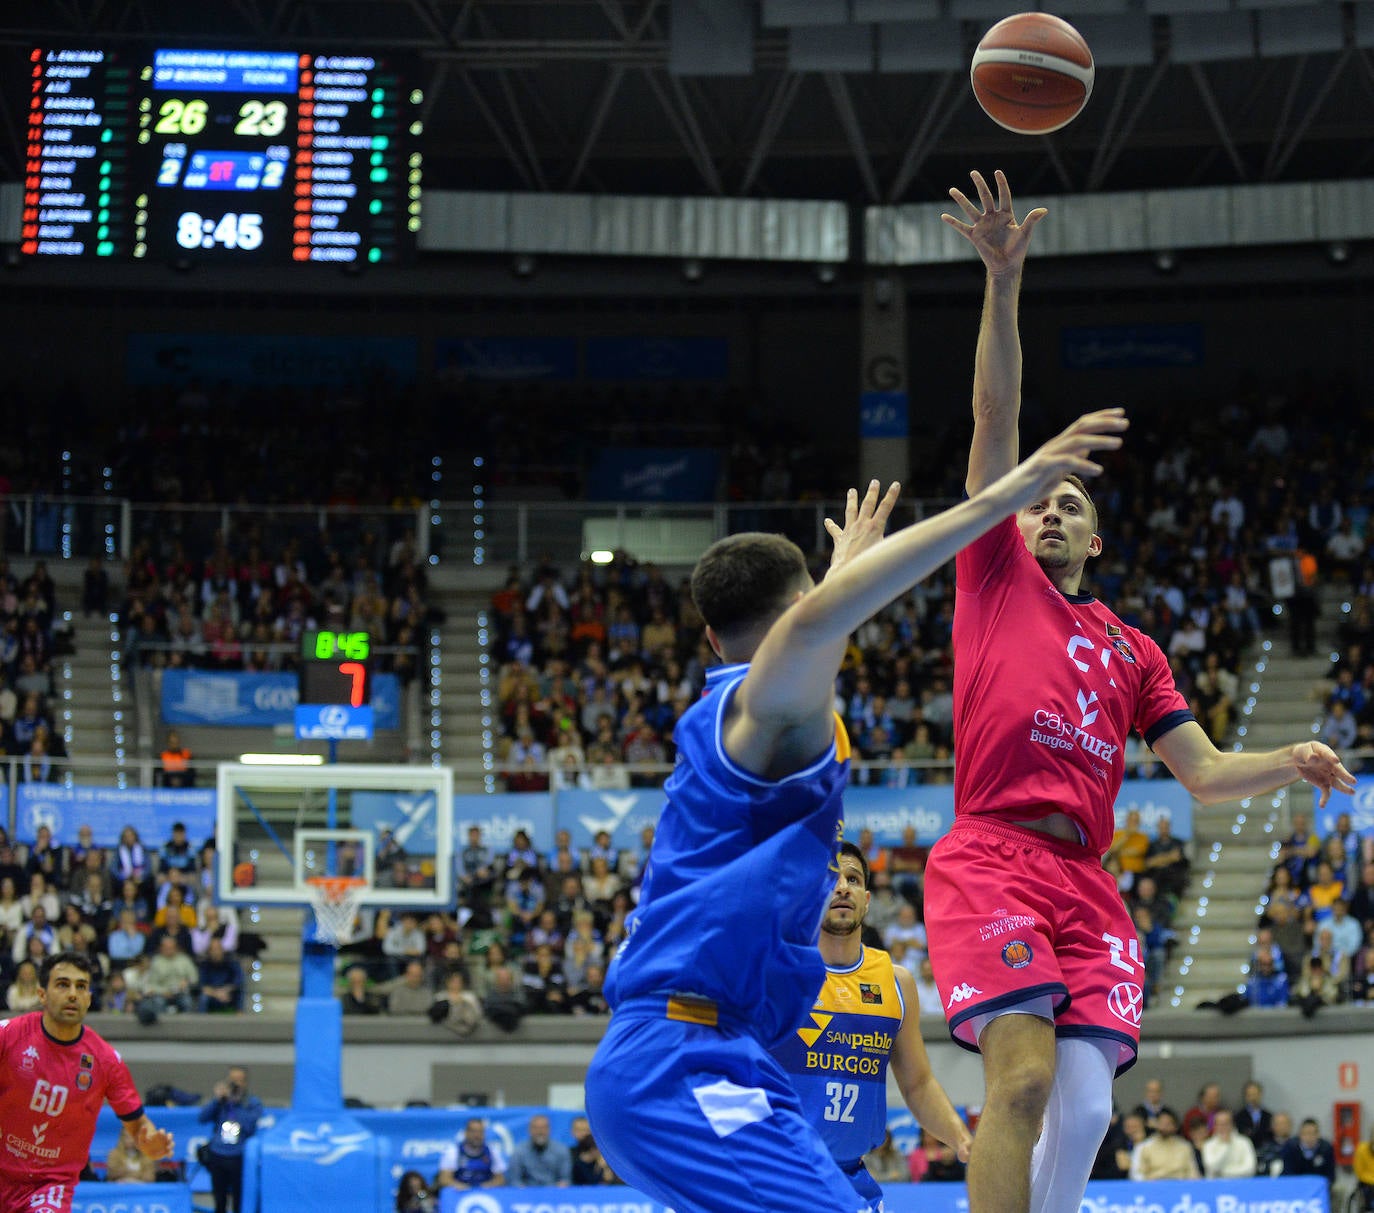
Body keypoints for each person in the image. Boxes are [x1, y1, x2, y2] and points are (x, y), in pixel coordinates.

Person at [925, 168, 1355, 1213]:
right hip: (994, 852)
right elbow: (995, 411)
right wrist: (1002, 284)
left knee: (1085, 1109)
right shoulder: (991, 572)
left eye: (1072, 506)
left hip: (1088, 878)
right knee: (1020, 1081)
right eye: (1041, 503)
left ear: (1099, 536)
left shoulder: (1134, 647)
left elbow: (1200, 772)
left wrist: (1288, 760)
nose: (1053, 513)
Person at [584, 407, 1129, 1213]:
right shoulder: (762, 713)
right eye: (816, 604)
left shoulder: (748, 715)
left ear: (707, 637)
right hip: (679, 1055)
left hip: (727, 1053)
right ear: (804, 605)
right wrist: (1001, 498)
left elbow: (808, 628)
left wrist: (834, 575)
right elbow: (809, 630)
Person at [771, 842, 970, 1210]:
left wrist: (962, 1139)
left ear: (866, 899)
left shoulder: (897, 982)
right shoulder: (779, 974)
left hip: (853, 1181)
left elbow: (918, 1084)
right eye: (830, 879)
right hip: (781, 1178)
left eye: (852, 878)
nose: (842, 887)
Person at [0, 952, 174, 1211]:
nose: (73, 994)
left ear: (89, 998)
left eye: (81, 986)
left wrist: (148, 1142)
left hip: (49, 1185)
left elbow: (136, 1124)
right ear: (42, 994)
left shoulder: (105, 1060)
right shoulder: (9, 1035)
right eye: (62, 984)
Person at [198, 1065, 264, 1213]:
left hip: (239, 1157)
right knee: (219, 1200)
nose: (235, 1084)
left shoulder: (251, 1103)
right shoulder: (221, 1101)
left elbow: (250, 1125)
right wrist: (217, 1100)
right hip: (218, 1155)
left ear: (245, 1083)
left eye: (239, 1080)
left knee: (238, 1200)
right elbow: (202, 1118)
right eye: (232, 1080)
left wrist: (237, 1103)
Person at [436, 1117, 507, 1190]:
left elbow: (500, 1179)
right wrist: (461, 1187)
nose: (477, 1135)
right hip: (460, 1194)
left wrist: (486, 1186)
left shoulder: (492, 1152)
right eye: (473, 1131)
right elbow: (444, 1179)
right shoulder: (453, 1151)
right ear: (466, 1133)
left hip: (485, 1194)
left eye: (480, 1132)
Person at [1129, 1110, 1199, 1180]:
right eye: (1161, 1123)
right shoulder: (1144, 1147)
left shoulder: (1185, 1147)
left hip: (1180, 1186)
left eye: (1168, 1124)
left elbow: (1193, 1173)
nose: (1164, 1127)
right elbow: (1137, 1174)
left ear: (1175, 1127)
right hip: (1153, 1187)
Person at [507, 1113, 572, 1187]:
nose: (540, 1131)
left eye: (543, 1128)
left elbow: (565, 1178)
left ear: (549, 1129)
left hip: (554, 1193)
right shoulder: (519, 1151)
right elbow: (514, 1180)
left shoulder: (561, 1150)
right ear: (529, 1130)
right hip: (527, 1194)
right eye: (536, 1128)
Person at [1201, 1109, 1258, 1179]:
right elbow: (1212, 1168)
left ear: (1232, 1124)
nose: (1223, 1127)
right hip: (1216, 1186)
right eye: (1220, 1124)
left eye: (1226, 1124)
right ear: (1215, 1126)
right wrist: (1226, 1145)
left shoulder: (1245, 1142)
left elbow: (1250, 1169)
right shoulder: (1208, 1145)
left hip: (1241, 1184)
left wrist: (1223, 1173)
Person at [1280, 1118, 1336, 1185]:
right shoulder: (1290, 1147)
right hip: (1295, 1185)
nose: (1309, 1137)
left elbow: (1331, 1176)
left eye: (1313, 1133)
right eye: (1306, 1133)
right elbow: (1287, 1173)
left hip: (1319, 1186)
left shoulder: (1326, 1148)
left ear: (1318, 1135)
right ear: (1300, 1135)